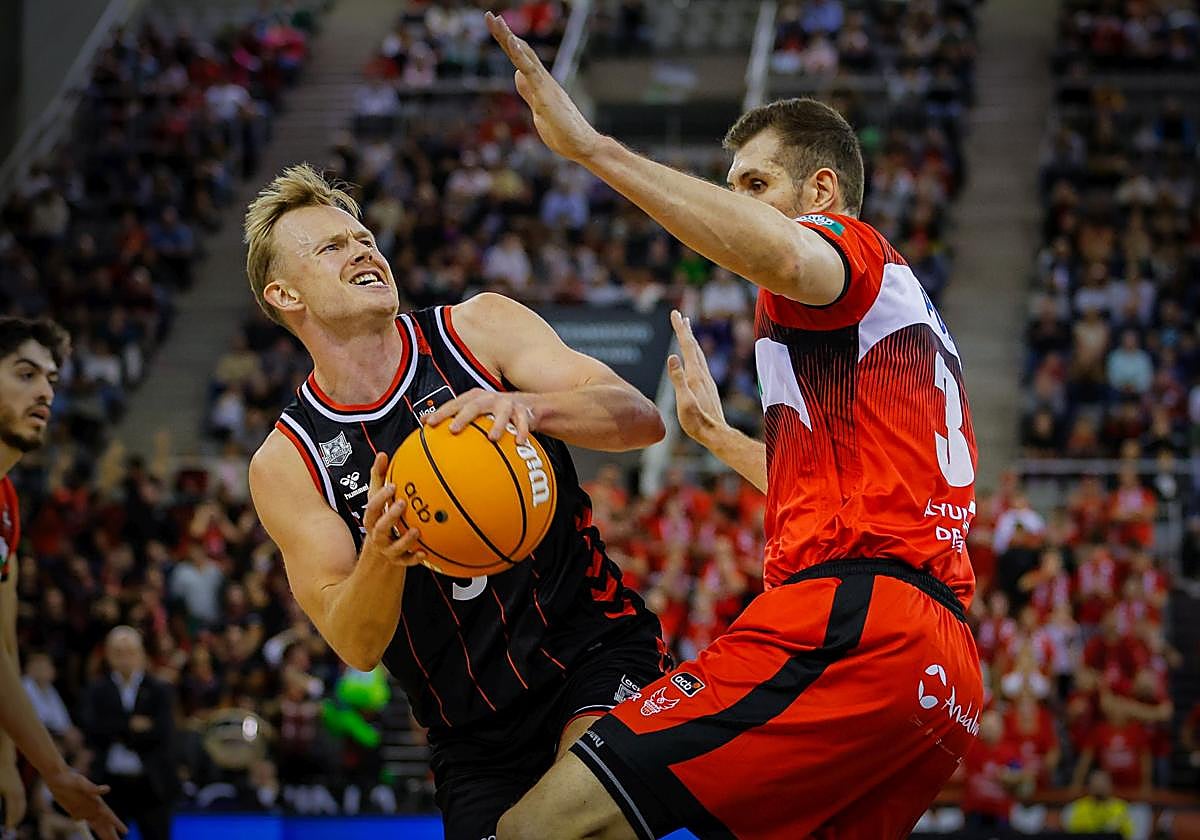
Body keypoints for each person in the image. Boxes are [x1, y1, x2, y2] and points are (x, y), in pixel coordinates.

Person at [484, 12, 983, 840]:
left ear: (820, 193)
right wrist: (717, 439)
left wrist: (592, 149)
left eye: (755, 184)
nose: (735, 201)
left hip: (855, 627)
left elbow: (783, 254)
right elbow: (847, 491)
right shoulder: (897, 323)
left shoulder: (847, 249)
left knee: (539, 829)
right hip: (940, 670)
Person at [243, 163, 671, 839]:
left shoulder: (478, 329)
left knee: (566, 827)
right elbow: (355, 644)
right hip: (472, 735)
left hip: (595, 653)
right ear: (284, 295)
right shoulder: (287, 462)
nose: (362, 251)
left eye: (364, 239)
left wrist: (530, 407)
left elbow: (641, 418)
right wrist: (381, 554)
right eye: (332, 246)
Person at [0, 316, 126, 839]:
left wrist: (6, 761)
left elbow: (5, 645)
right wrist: (53, 770)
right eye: (26, 373)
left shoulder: (7, 501)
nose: (45, 392)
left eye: (51, 380)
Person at [79, 626, 178, 840]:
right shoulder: (96, 690)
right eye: (118, 652)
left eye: (130, 652)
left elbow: (162, 732)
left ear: (142, 654)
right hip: (109, 783)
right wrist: (131, 725)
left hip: (151, 784)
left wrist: (116, 729)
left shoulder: (159, 690)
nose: (125, 658)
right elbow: (93, 730)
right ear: (107, 655)